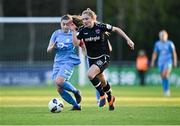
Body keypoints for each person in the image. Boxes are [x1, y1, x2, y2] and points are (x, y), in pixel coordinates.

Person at [71, 8, 135, 110]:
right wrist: (74, 31)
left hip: (104, 57)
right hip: (91, 59)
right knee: (103, 82)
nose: (85, 21)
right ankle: (110, 98)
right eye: (83, 19)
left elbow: (117, 29)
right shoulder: (82, 30)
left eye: (87, 19)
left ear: (93, 18)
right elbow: (76, 43)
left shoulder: (100, 26)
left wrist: (129, 40)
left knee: (90, 74)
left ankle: (102, 95)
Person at [47, 15, 82, 110]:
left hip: (69, 61)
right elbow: (48, 49)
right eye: (64, 24)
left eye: (68, 24)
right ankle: (76, 105)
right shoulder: (56, 34)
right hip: (58, 62)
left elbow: (78, 44)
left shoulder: (74, 33)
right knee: (59, 88)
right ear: (60, 24)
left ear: (71, 24)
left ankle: (76, 91)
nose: (66, 26)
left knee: (59, 81)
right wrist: (53, 47)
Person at [151, 30, 177, 96]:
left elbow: (174, 53)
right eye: (161, 36)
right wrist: (153, 61)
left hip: (168, 61)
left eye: (163, 35)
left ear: (166, 36)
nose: (162, 37)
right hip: (160, 62)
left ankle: (167, 90)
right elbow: (155, 53)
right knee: (162, 76)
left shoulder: (170, 43)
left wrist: (175, 61)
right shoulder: (157, 44)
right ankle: (165, 90)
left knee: (166, 75)